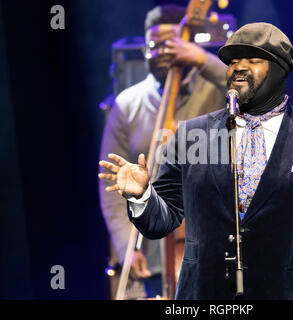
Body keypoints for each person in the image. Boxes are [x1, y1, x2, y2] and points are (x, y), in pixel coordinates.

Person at [99, 22, 293, 299]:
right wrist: (142, 196)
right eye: (233, 61)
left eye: (252, 59)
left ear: (280, 68)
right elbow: (161, 222)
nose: (238, 67)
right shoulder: (190, 135)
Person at [98, 4, 227, 299]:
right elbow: (110, 183)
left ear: (185, 43)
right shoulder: (127, 104)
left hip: (209, 250)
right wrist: (124, 246)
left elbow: (254, 92)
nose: (160, 53)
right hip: (150, 255)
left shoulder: (215, 90)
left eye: (169, 44)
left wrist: (202, 60)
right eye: (153, 46)